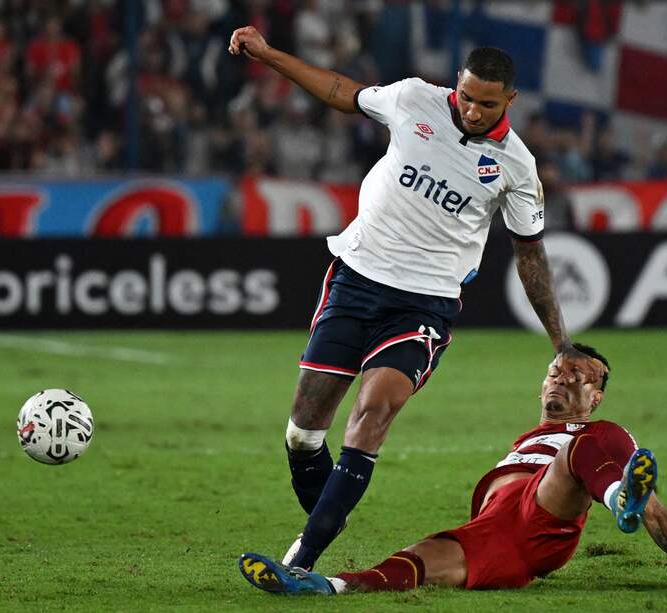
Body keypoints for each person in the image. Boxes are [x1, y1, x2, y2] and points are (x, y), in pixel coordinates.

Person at [228, 26, 606, 572]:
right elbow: (341, 91)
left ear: (511, 101)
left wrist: (561, 341)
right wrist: (268, 55)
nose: (473, 111)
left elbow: (531, 257)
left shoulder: (516, 167)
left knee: (375, 409)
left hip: (424, 304)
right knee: (304, 432)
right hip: (355, 280)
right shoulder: (412, 99)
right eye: (467, 97)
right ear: (457, 84)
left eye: (488, 104)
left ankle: (303, 558)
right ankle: (331, 506)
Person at [238, 344, 667, 595]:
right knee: (412, 562)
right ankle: (322, 585)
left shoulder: (598, 436)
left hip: (547, 517)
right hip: (495, 534)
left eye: (577, 377)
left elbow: (660, 515)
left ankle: (619, 501)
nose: (559, 381)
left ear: (596, 395)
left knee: (585, 450)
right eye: (554, 372)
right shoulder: (527, 440)